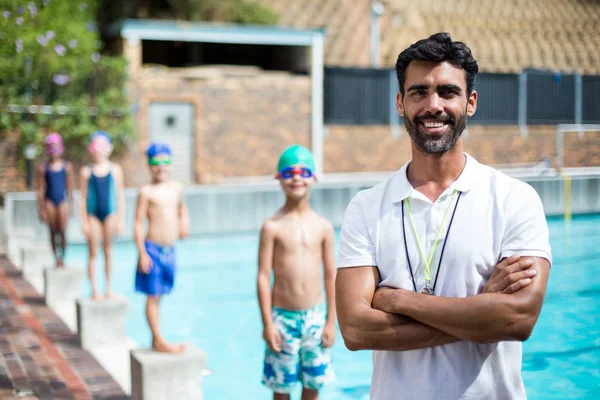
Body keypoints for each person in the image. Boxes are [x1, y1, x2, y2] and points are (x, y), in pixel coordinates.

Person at [335, 32, 552, 400]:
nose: (433, 105)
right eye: (419, 92)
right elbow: (355, 331)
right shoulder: (366, 207)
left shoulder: (514, 199)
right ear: (401, 103)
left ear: (470, 103)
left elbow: (518, 319)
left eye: (447, 92)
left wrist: (397, 301)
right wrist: (482, 315)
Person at [257, 145, 336, 400]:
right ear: (279, 179)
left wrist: (330, 321)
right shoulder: (272, 227)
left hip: (315, 318)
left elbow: (331, 276)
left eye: (303, 171)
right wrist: (267, 323)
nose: (296, 177)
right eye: (289, 172)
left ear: (313, 177)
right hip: (282, 321)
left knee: (312, 387)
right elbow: (262, 276)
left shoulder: (323, 227)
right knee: (281, 389)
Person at [134, 142, 189, 353]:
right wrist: (142, 253)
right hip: (152, 250)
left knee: (160, 295)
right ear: (149, 166)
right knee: (153, 296)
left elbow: (182, 209)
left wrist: (184, 222)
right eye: (156, 162)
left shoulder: (177, 189)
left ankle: (157, 337)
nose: (161, 166)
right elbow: (138, 223)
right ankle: (158, 339)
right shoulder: (146, 191)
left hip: (170, 250)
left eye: (165, 161)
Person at [79, 131, 125, 300]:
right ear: (90, 149)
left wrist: (120, 220)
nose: (98, 151)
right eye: (95, 147)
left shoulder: (116, 170)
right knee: (92, 251)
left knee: (108, 252)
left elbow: (120, 196)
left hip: (110, 215)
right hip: (93, 216)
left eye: (102, 147)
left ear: (109, 149)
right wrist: (83, 222)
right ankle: (94, 289)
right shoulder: (86, 171)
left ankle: (108, 288)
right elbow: (83, 198)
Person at [36, 133, 74, 267]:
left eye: (56, 147)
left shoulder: (66, 167)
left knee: (62, 230)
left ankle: (62, 257)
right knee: (52, 231)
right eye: (51, 148)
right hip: (49, 202)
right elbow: (40, 190)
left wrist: (71, 206)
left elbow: (69, 189)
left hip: (61, 201)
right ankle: (56, 259)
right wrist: (41, 209)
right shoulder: (43, 169)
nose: (54, 151)